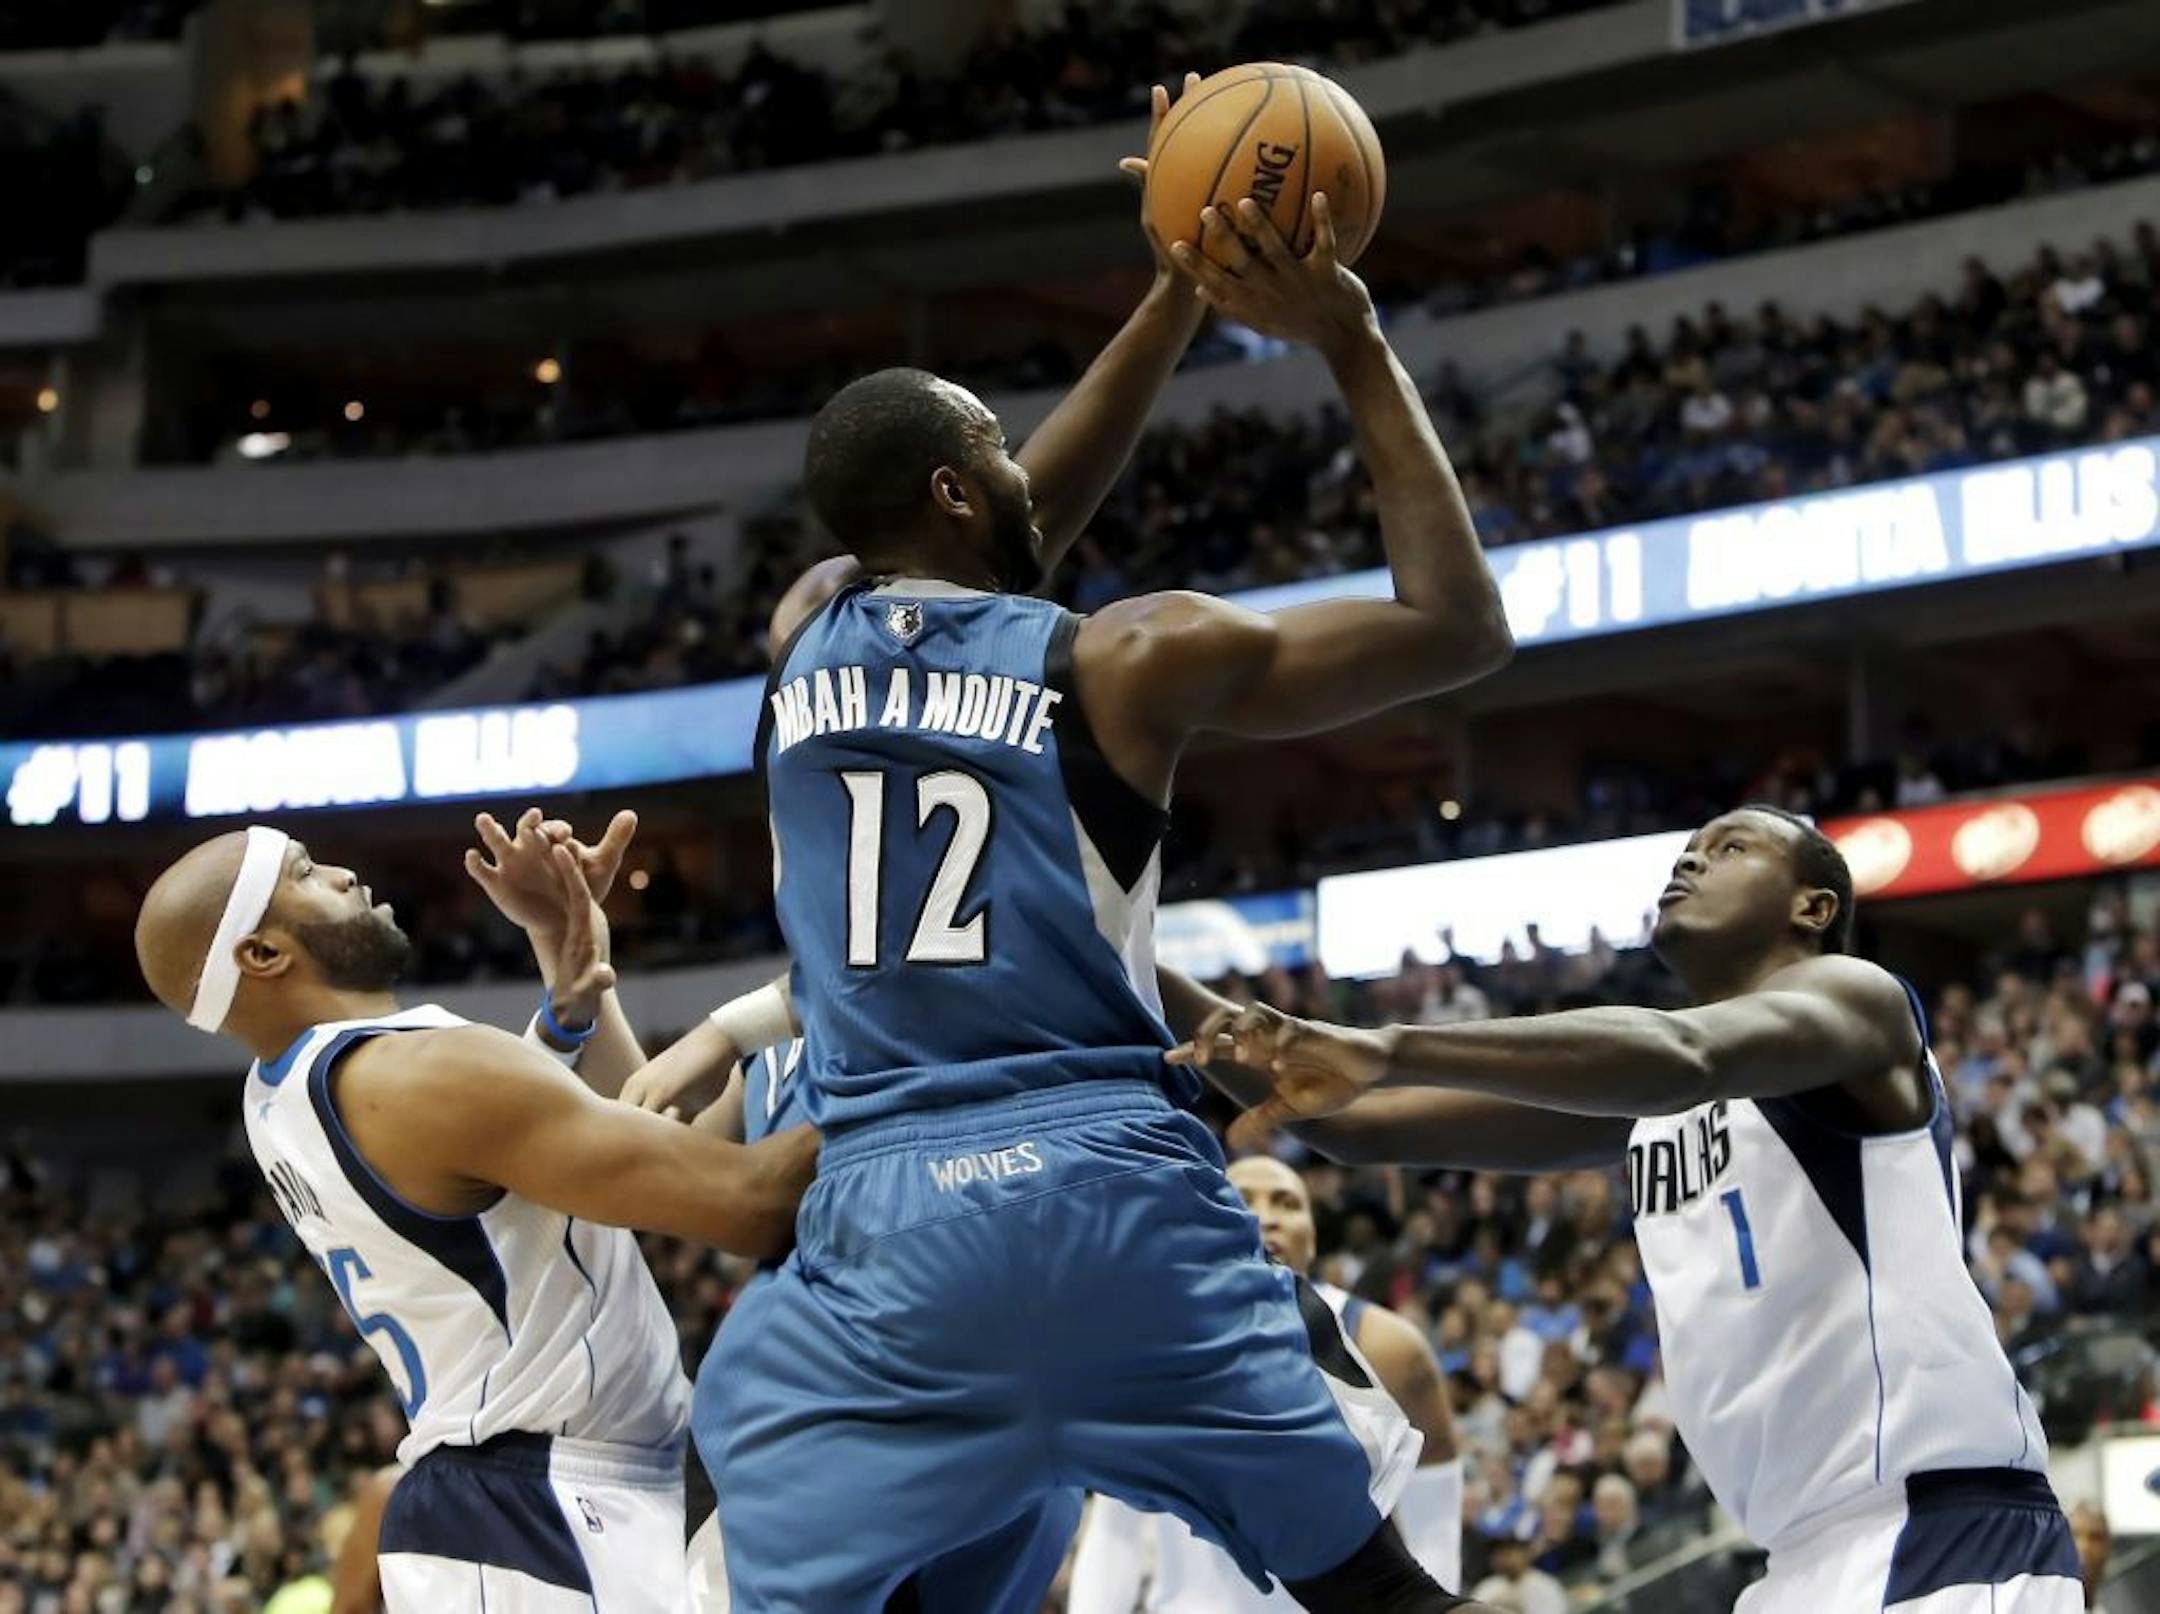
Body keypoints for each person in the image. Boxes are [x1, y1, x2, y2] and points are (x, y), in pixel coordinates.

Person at [692, 95, 1514, 1610]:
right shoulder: (1133, 656)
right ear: (954, 487)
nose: (1024, 465)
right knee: (1379, 1591)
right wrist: (1345, 337)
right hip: (1111, 1191)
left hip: (881, 1225)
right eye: (994, 448)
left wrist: (1175, 292)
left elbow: (998, 542)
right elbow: (1458, 628)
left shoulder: (802, 637)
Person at [1175, 805, 2084, 1612]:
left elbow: (1684, 1049)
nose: (1688, 862)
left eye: (1727, 847)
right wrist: (1124, 949)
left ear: (1814, 907)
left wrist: (1390, 1044)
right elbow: (1357, 1125)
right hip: (1794, 1561)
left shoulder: (1860, 1003)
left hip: (1945, 1528)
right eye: (1685, 849)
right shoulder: (1658, 1105)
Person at [131, 816, 817, 1613]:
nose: (346, 874)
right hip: (542, 1516)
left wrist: (568, 987)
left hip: (526, 1507)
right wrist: (874, 1027)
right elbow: (746, 1203)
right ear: (263, 954)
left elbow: (556, 1157)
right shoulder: (414, 1075)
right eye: (307, 872)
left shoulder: (281, 1094)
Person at [1066, 1153, 1465, 1611]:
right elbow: (1115, 1529)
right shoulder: (1145, 1344)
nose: (1265, 1216)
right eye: (1241, 1199)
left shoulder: (1388, 1345)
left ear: (1313, 1235)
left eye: (1287, 1202)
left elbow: (1434, 1515)